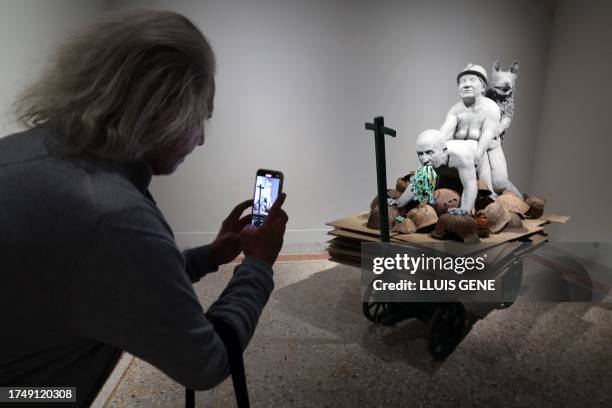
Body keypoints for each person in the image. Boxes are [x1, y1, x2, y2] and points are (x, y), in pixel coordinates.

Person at [0, 10, 287, 407]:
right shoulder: (111, 214)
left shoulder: (22, 152)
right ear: (163, 107)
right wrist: (258, 265)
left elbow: (107, 282)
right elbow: (205, 362)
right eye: (200, 117)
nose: (201, 139)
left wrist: (211, 256)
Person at [439, 63, 520, 196]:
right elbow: (446, 129)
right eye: (462, 81)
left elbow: (488, 133)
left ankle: (520, 201)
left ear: (483, 86)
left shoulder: (491, 107)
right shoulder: (455, 110)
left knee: (500, 183)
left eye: (472, 80)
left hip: (488, 147)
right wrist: (435, 144)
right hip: (466, 153)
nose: (466, 84)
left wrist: (478, 153)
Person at [395, 129, 478, 214]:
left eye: (429, 152)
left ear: (444, 151)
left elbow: (470, 185)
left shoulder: (461, 156)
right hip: (450, 171)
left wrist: (464, 209)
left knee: (486, 191)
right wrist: (398, 203)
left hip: (478, 159)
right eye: (420, 154)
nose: (424, 159)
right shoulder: (427, 162)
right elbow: (416, 186)